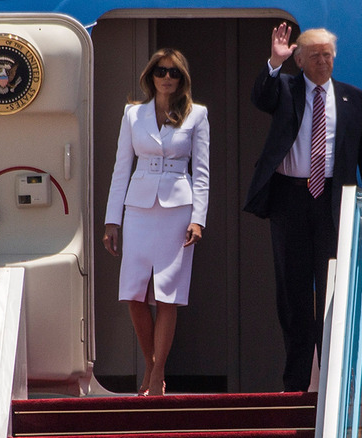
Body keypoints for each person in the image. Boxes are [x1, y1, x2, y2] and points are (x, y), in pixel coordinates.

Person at [244, 23, 362, 392]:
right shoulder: (286, 89)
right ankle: (296, 383)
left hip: (333, 203)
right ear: (300, 61)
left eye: (328, 55)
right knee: (293, 295)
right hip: (290, 200)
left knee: (332, 292)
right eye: (315, 56)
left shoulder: (355, 98)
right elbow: (261, 96)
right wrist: (275, 61)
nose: (323, 62)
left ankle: (331, 381)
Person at [103, 48, 210, 396]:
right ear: (151, 76)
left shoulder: (197, 115)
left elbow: (203, 173)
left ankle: (158, 370)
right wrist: (111, 220)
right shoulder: (133, 114)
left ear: (183, 79)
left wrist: (199, 219)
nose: (167, 77)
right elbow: (121, 168)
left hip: (178, 209)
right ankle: (150, 364)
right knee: (134, 293)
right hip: (137, 209)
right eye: (161, 71)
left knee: (167, 294)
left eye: (174, 72)